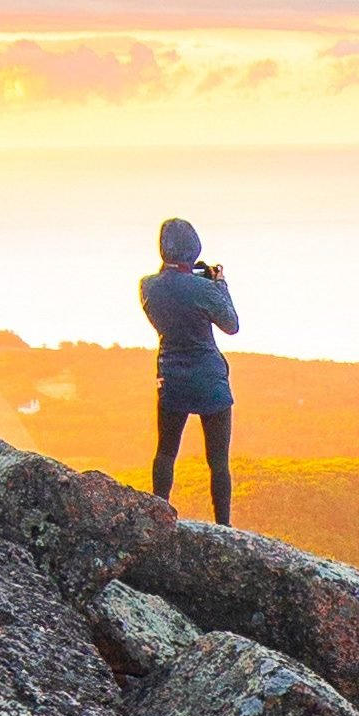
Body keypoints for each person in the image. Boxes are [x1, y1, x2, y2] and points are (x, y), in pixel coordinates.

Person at [139, 217, 239, 521]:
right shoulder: (204, 290)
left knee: (166, 452)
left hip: (172, 377)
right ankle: (224, 524)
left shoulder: (147, 287)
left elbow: (168, 288)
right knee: (218, 461)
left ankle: (159, 512)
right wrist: (219, 284)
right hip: (210, 379)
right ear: (193, 250)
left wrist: (176, 271)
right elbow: (231, 325)